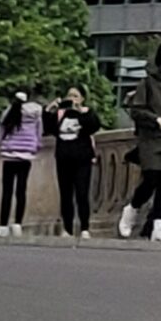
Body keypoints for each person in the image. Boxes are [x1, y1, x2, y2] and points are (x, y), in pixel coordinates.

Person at [119, 44, 161, 243]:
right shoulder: (147, 83)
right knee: (151, 179)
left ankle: (159, 226)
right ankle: (132, 208)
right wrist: (155, 119)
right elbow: (136, 110)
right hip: (152, 141)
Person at [48, 86, 102, 241]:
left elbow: (93, 127)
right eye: (69, 95)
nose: (72, 98)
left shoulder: (87, 112)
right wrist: (49, 111)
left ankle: (84, 228)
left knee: (82, 193)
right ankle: (67, 228)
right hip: (64, 158)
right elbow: (49, 128)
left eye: (75, 96)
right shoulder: (61, 113)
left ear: (82, 98)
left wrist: (79, 112)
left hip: (82, 158)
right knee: (66, 194)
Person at [0, 89, 43, 238]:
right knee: (21, 190)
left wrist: (2, 144)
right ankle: (17, 224)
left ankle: (3, 225)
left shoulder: (9, 111)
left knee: (7, 191)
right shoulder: (36, 113)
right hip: (26, 155)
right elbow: (39, 131)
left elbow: (1, 129)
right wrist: (36, 145)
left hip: (10, 154)